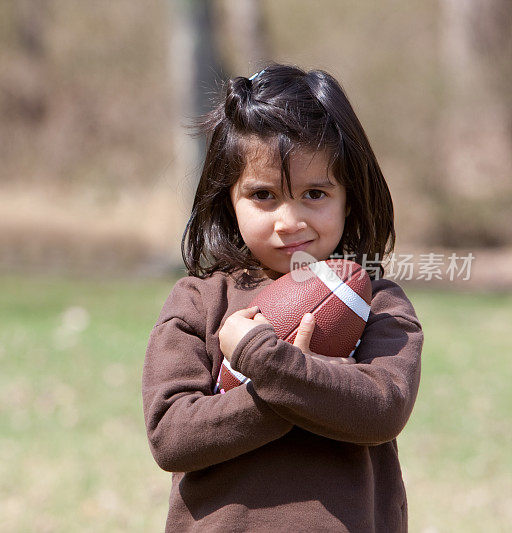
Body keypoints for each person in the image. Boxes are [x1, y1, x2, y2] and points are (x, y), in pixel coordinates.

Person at [142, 64, 423, 532]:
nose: (289, 220)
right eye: (263, 195)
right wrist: (311, 383)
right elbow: (171, 437)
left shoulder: (375, 302)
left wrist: (267, 360)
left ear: (348, 200)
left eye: (315, 193)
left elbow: (382, 409)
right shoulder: (199, 300)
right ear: (227, 202)